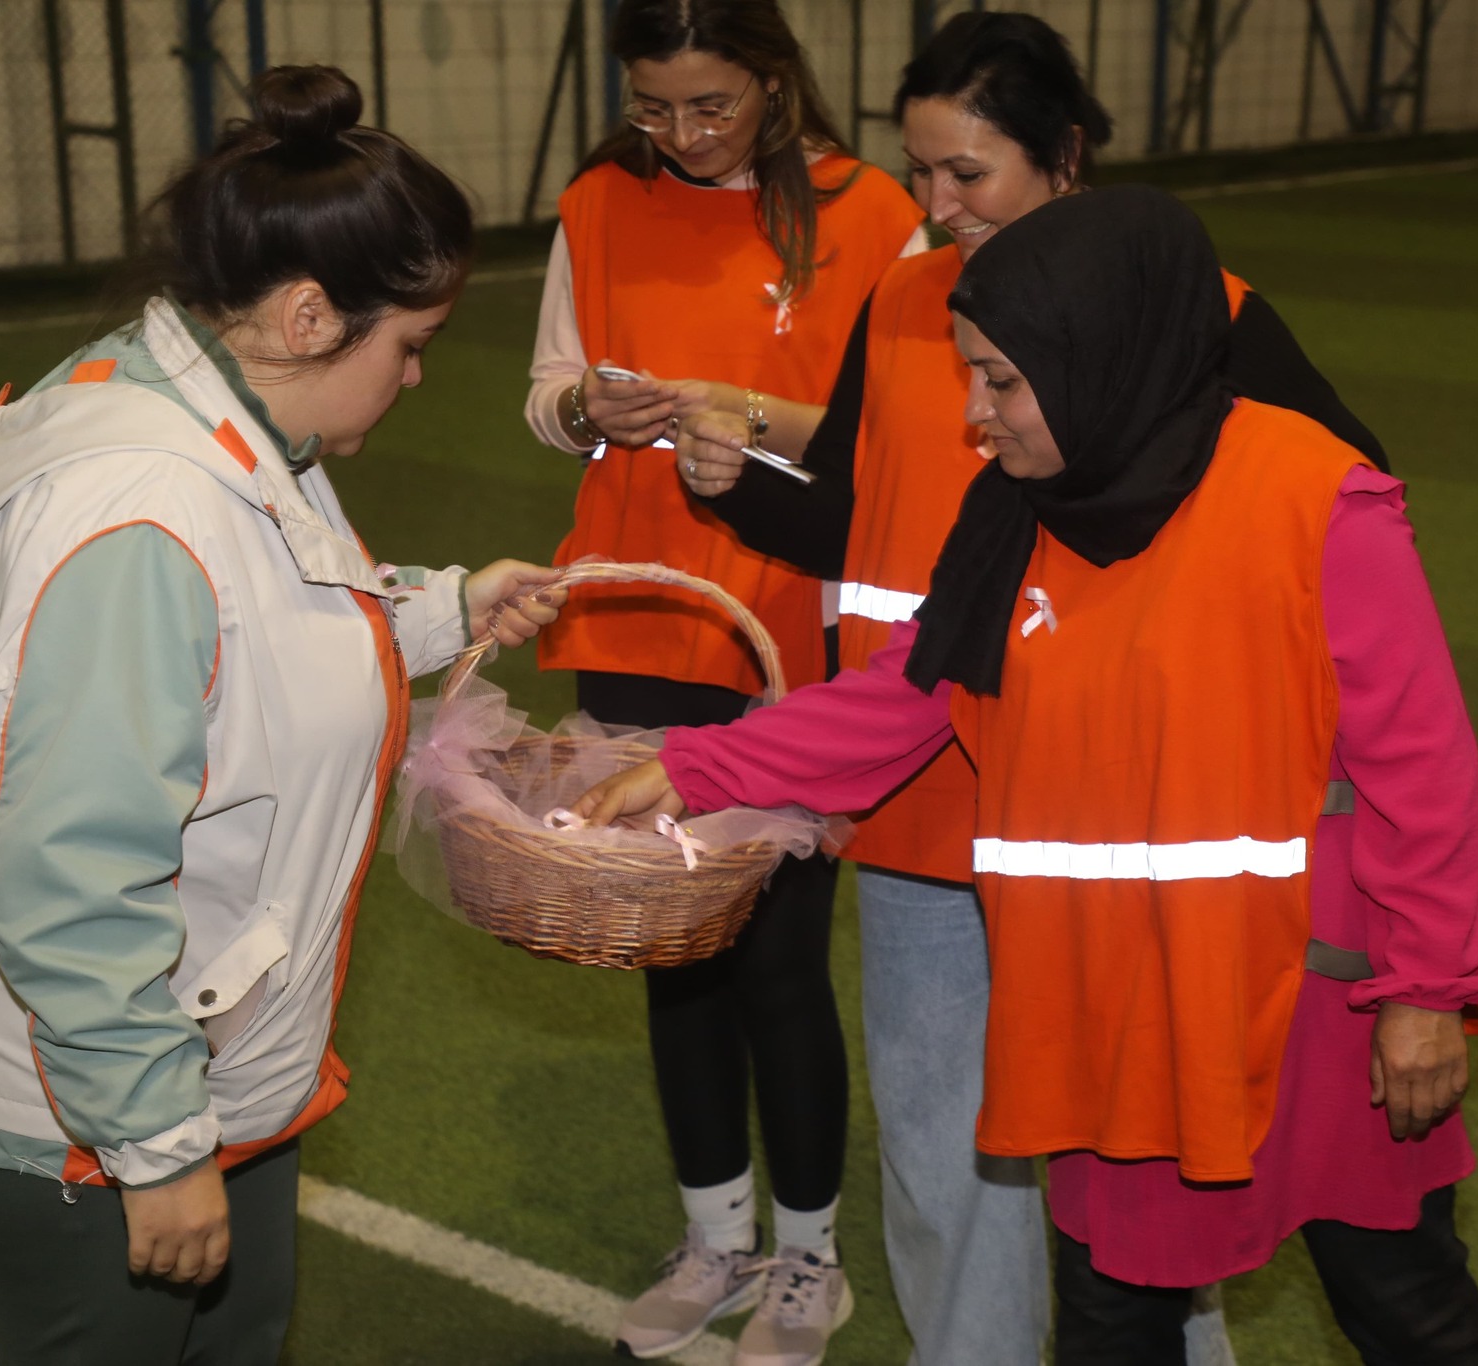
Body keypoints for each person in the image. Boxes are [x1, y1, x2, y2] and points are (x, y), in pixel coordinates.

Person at [577, 186, 1478, 1366]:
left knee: (1406, 1310)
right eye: (972, 375)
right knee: (1112, 1322)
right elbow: (903, 699)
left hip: (1311, 1005)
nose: (975, 416)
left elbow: (1422, 767)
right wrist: (693, 764)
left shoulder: (1312, 494)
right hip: (1109, 1011)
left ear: (1102, 351)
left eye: (1002, 381)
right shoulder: (1013, 512)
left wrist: (1425, 990)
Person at [667, 13, 1383, 1364]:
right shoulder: (901, 297)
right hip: (917, 801)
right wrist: (751, 486)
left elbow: (1333, 529)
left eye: (969, 175)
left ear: (1065, 158)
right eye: (920, 171)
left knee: (1145, 1170)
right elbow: (860, 514)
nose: (936, 207)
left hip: (1117, 828)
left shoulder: (1202, 315)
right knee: (947, 1158)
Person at [0, 66, 567, 1366]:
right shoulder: (145, 513)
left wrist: (445, 609)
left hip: (185, 1063)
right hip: (84, 1098)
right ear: (310, 313)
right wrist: (155, 1143)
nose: (414, 380)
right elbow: (63, 878)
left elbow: (265, 626)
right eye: (408, 346)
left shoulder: (217, 412)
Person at [520, 2, 925, 1361]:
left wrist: (740, 411)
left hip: (788, 627)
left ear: (771, 78)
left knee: (781, 962)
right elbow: (547, 392)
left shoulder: (870, 211)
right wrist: (594, 410)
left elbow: (898, 432)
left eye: (712, 105)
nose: (684, 134)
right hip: (640, 613)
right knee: (672, 959)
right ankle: (715, 1235)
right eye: (654, 108)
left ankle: (810, 1262)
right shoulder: (597, 199)